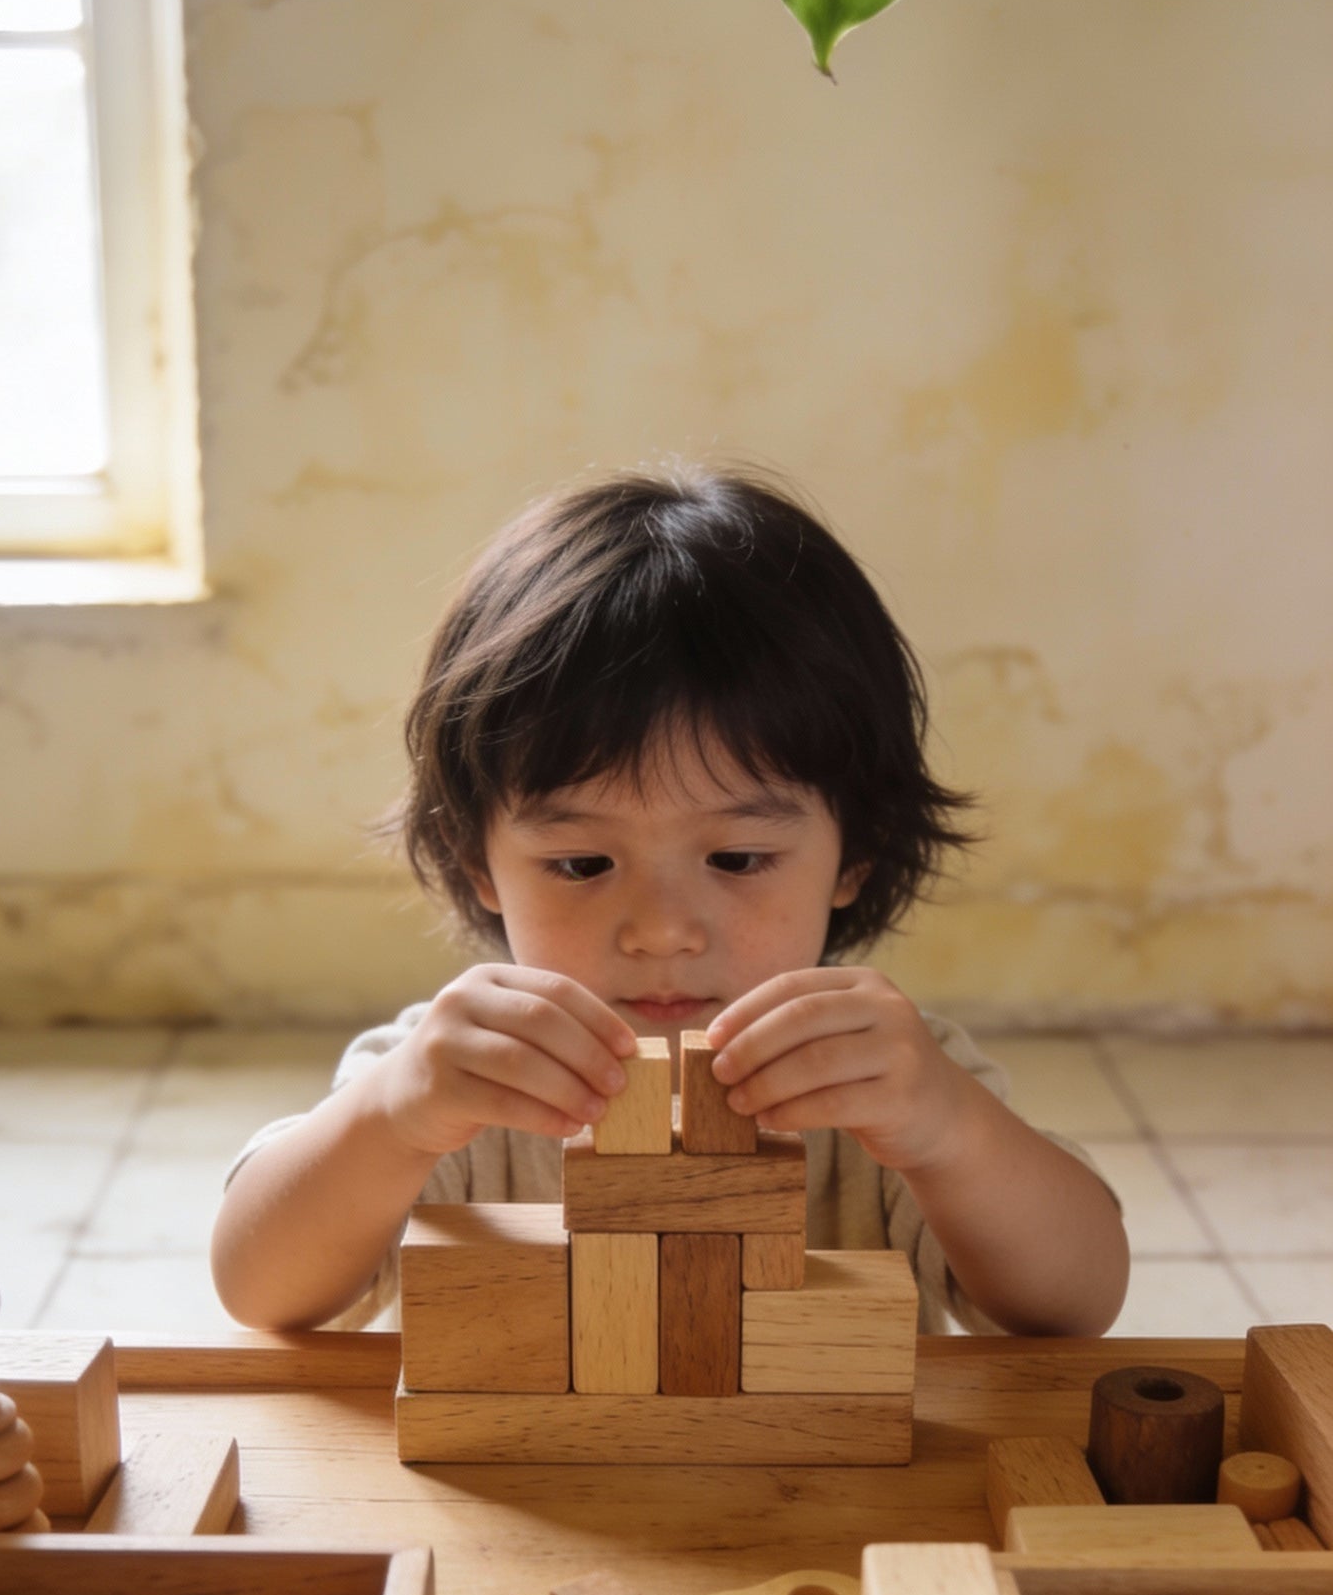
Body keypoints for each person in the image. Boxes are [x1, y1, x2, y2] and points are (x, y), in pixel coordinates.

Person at [211, 469, 1128, 1337]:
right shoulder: (448, 1077)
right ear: (476, 860)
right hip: (509, 1495)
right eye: (579, 864)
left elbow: (1073, 1307)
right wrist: (391, 1117)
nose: (661, 931)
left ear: (857, 856)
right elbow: (260, 1293)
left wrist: (952, 1130)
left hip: (826, 1495)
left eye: (737, 856)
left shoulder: (882, 1083)